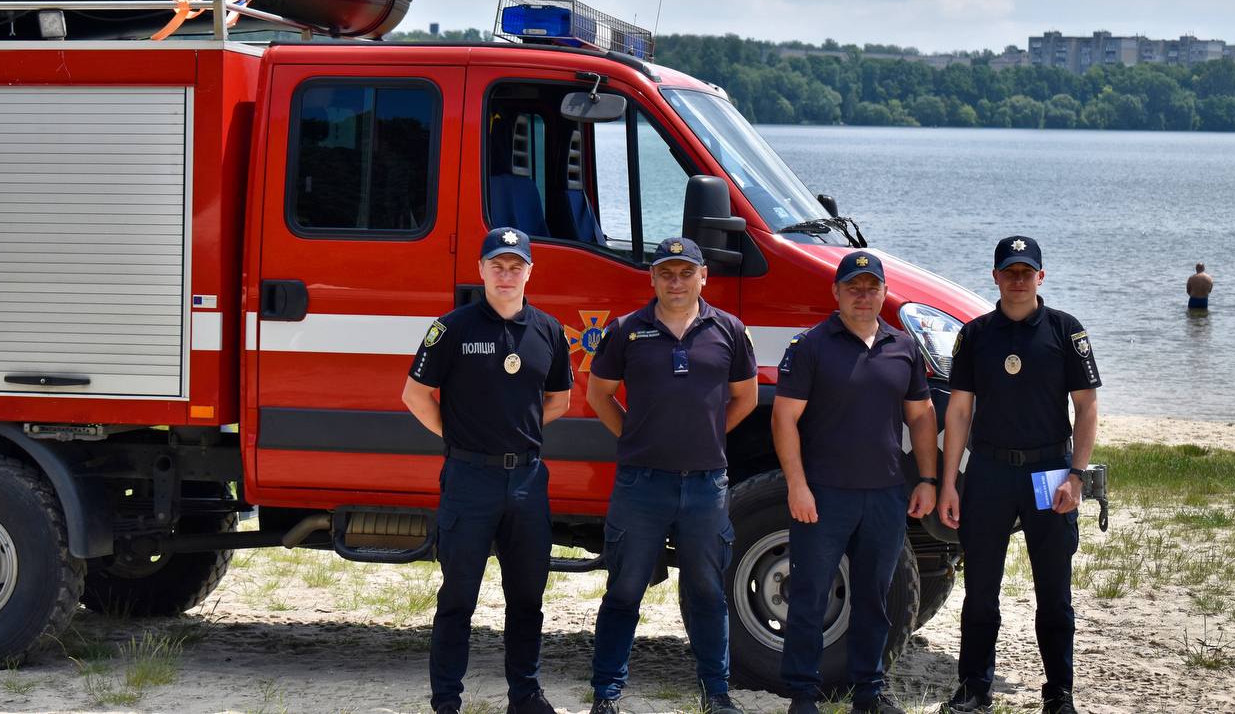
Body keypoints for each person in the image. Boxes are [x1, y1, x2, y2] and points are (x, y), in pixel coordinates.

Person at [401, 227, 573, 714]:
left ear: (529, 273)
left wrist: (517, 430)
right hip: (468, 480)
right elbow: (414, 395)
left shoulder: (548, 331)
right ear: (480, 270)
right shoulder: (451, 328)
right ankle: (447, 701)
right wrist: (457, 436)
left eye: (515, 266)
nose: (506, 274)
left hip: (526, 480)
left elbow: (559, 399)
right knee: (458, 597)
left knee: (527, 598)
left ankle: (525, 695)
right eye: (496, 265)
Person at [585, 237, 758, 714]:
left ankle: (716, 692)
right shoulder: (626, 330)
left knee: (706, 589)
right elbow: (599, 394)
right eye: (666, 273)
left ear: (704, 277)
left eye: (686, 272)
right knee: (625, 588)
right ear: (653, 278)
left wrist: (706, 434)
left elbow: (745, 396)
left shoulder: (728, 329)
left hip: (706, 484)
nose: (676, 281)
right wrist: (633, 436)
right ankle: (606, 692)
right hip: (641, 484)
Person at [936, 236, 1101, 714]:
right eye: (1010, 271)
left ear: (1041, 277)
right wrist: (949, 481)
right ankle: (974, 689)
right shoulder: (975, 334)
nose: (1018, 279)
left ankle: (1059, 693)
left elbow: (1086, 407)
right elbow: (960, 411)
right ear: (995, 277)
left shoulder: (1065, 331)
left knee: (1054, 591)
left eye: (1026, 272)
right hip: (988, 470)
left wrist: (1077, 474)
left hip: (1050, 471)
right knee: (980, 592)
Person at [772, 252, 940, 714]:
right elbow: (784, 418)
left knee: (874, 597)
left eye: (871, 287)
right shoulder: (810, 346)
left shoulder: (903, 348)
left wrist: (927, 478)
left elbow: (921, 417)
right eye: (853, 287)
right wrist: (796, 485)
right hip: (823, 493)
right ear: (836, 293)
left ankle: (869, 691)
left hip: (885, 494)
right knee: (809, 595)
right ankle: (802, 695)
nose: (863, 296)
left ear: (884, 293)